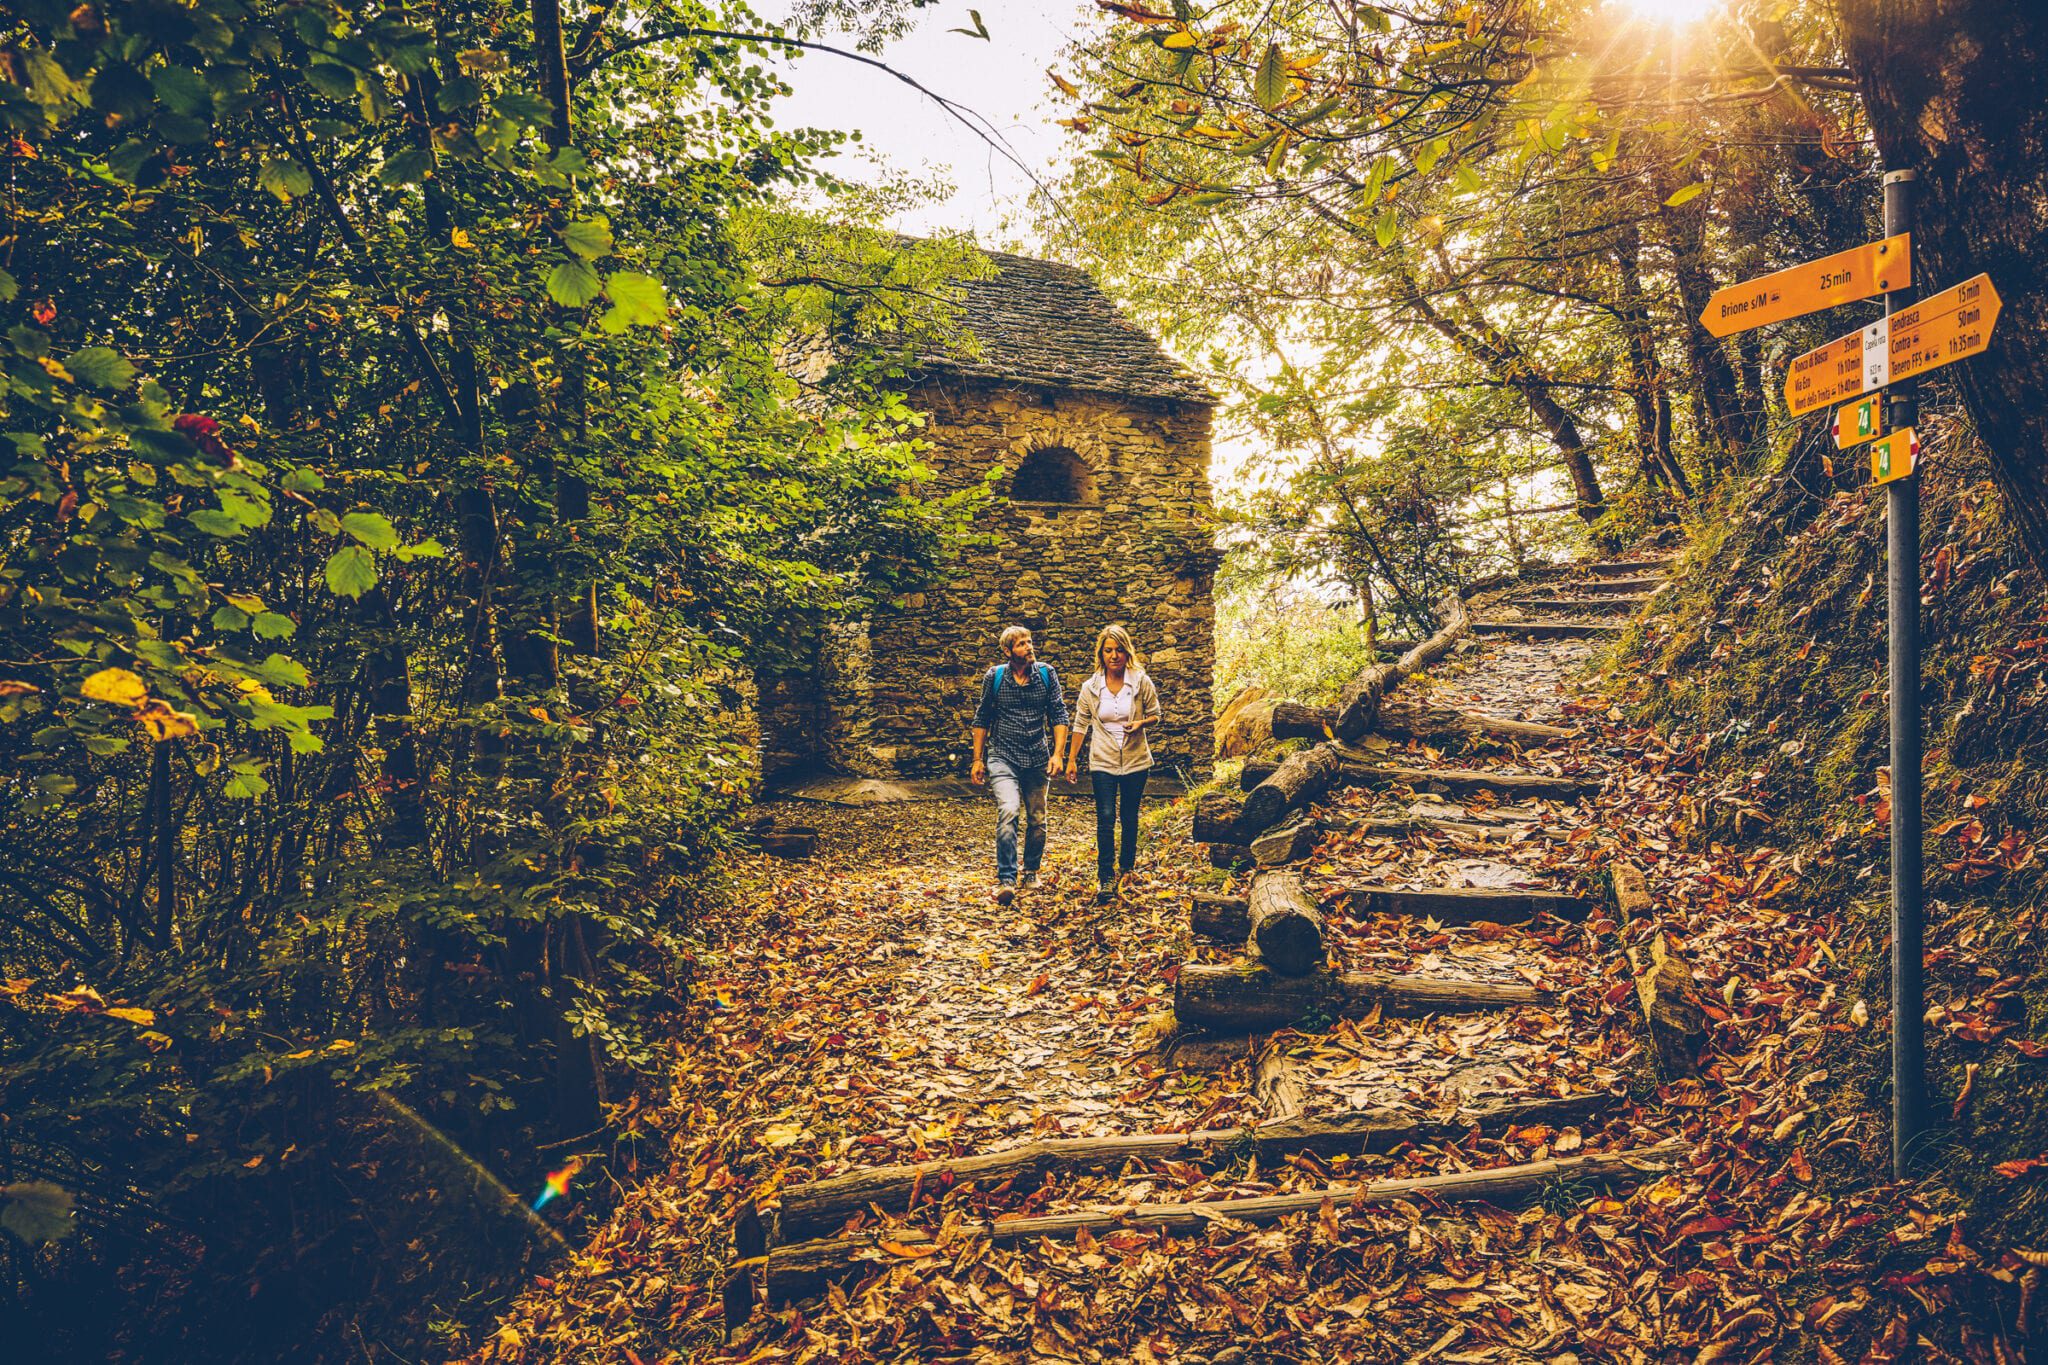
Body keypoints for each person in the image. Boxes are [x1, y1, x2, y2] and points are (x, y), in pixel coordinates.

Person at [970, 625, 1069, 904]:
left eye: (1029, 641)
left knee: (1037, 819)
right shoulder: (996, 677)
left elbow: (1059, 713)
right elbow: (982, 718)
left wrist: (1058, 754)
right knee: (1009, 809)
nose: (1029, 647)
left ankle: (1031, 871)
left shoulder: (1047, 675)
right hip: (1003, 756)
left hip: (1037, 758)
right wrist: (978, 760)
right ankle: (1007, 879)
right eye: (1022, 644)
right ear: (1008, 651)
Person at [1063, 625, 1162, 904]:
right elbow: (1081, 723)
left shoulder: (1141, 681)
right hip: (1103, 760)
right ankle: (1105, 877)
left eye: (1119, 650)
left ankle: (1127, 868)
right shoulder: (1091, 687)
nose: (1114, 655)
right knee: (1106, 817)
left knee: (1129, 816)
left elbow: (1156, 714)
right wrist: (1072, 759)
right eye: (1108, 650)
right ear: (1101, 653)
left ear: (1126, 651)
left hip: (1135, 759)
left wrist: (1140, 723)